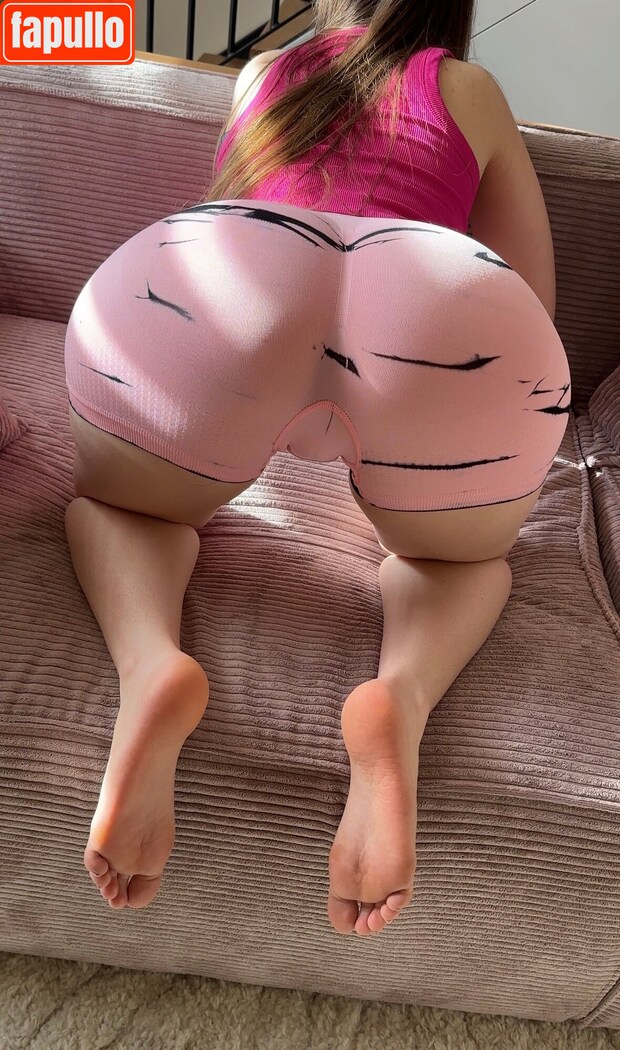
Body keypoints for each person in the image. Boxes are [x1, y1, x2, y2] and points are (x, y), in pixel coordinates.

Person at [63, 0, 571, 936]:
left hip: (245, 269)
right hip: (430, 306)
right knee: (459, 560)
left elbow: (233, 214)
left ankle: (150, 666)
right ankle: (399, 699)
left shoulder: (264, 73)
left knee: (124, 508)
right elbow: (528, 300)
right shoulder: (471, 89)